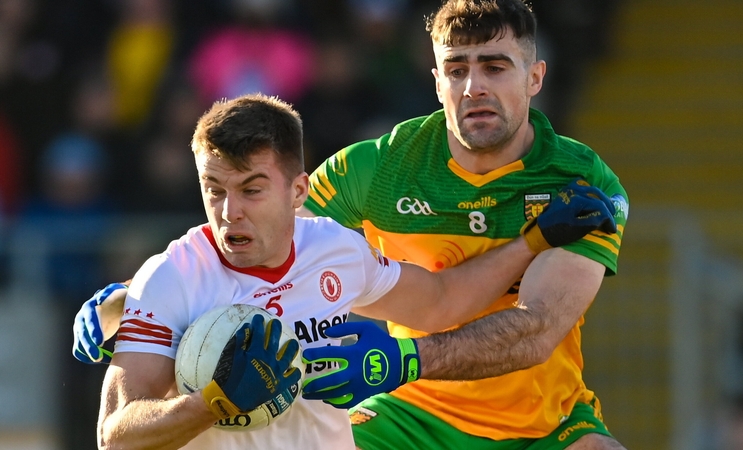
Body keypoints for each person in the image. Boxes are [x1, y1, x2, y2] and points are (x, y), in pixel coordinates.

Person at [85, 93, 615, 449]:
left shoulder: (334, 249)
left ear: (298, 193)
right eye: (214, 191)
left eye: (251, 190)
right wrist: (212, 403)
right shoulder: (172, 279)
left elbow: (441, 301)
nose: (229, 212)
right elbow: (116, 435)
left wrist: (533, 241)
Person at [298, 1, 630, 449]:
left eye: (495, 67)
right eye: (456, 70)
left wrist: (398, 359)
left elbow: (537, 330)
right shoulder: (377, 167)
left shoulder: (581, 182)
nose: (473, 87)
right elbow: (280, 250)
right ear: (437, 83)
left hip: (546, 427)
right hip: (409, 415)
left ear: (535, 78)